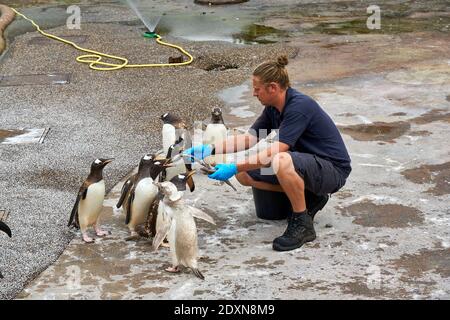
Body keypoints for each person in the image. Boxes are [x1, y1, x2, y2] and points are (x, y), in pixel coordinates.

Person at [184, 55, 351, 252]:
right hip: (307, 166)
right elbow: (249, 139)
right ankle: (311, 197)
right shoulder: (273, 108)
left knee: (280, 160)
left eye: (257, 89)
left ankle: (302, 223)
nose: (254, 93)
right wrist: (209, 149)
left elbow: (274, 153)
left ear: (272, 88)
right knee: (243, 174)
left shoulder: (299, 106)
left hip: (332, 170)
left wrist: (234, 166)